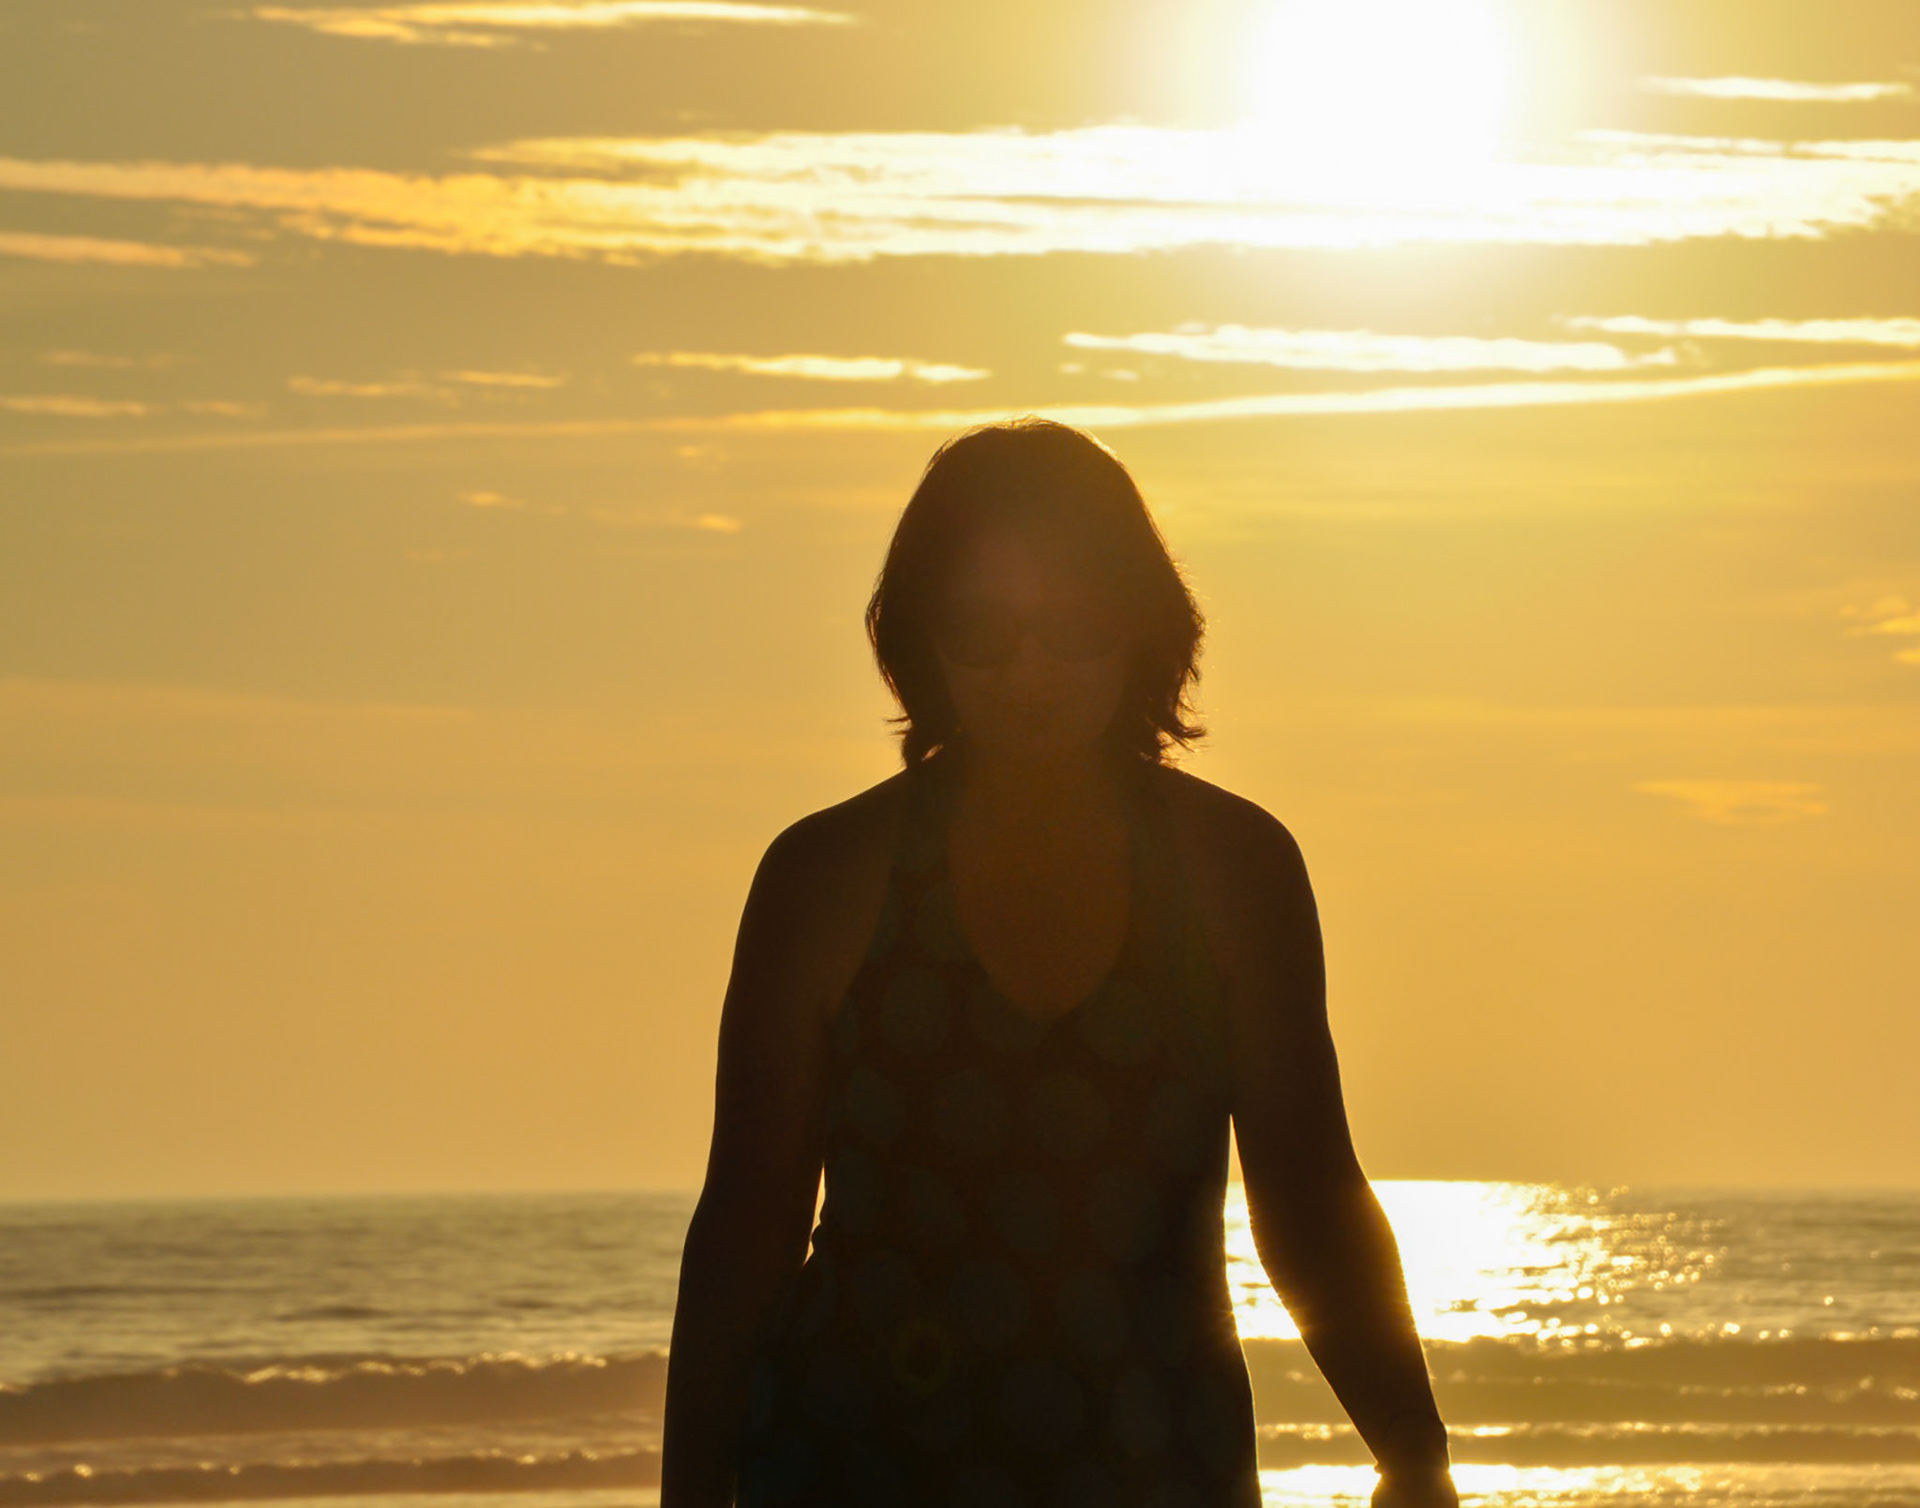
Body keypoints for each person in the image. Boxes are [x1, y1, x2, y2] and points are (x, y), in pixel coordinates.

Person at [661, 418, 1456, 1508]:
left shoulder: (1235, 868)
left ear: (1141, 628)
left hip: (1157, 1461)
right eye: (985, 631)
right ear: (921, 639)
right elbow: (747, 1226)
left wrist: (1412, 1448)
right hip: (856, 1460)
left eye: (1074, 627)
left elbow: (1309, 1191)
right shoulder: (824, 876)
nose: (1031, 669)